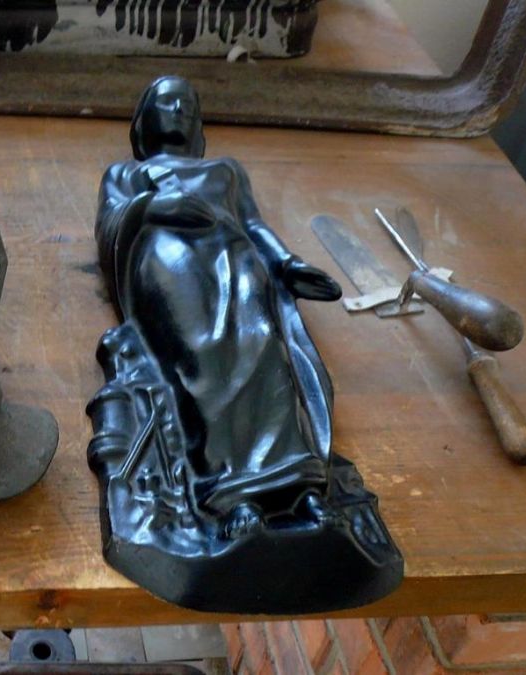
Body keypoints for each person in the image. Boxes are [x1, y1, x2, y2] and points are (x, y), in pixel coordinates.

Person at [94, 75, 343, 530]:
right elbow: (109, 224)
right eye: (168, 103)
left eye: (188, 106)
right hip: (168, 258)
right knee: (201, 358)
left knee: (264, 346)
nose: (179, 111)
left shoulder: (226, 170)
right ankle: (230, 491)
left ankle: (300, 487)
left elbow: (253, 224)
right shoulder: (125, 174)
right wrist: (153, 208)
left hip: (234, 258)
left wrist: (288, 264)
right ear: (144, 120)